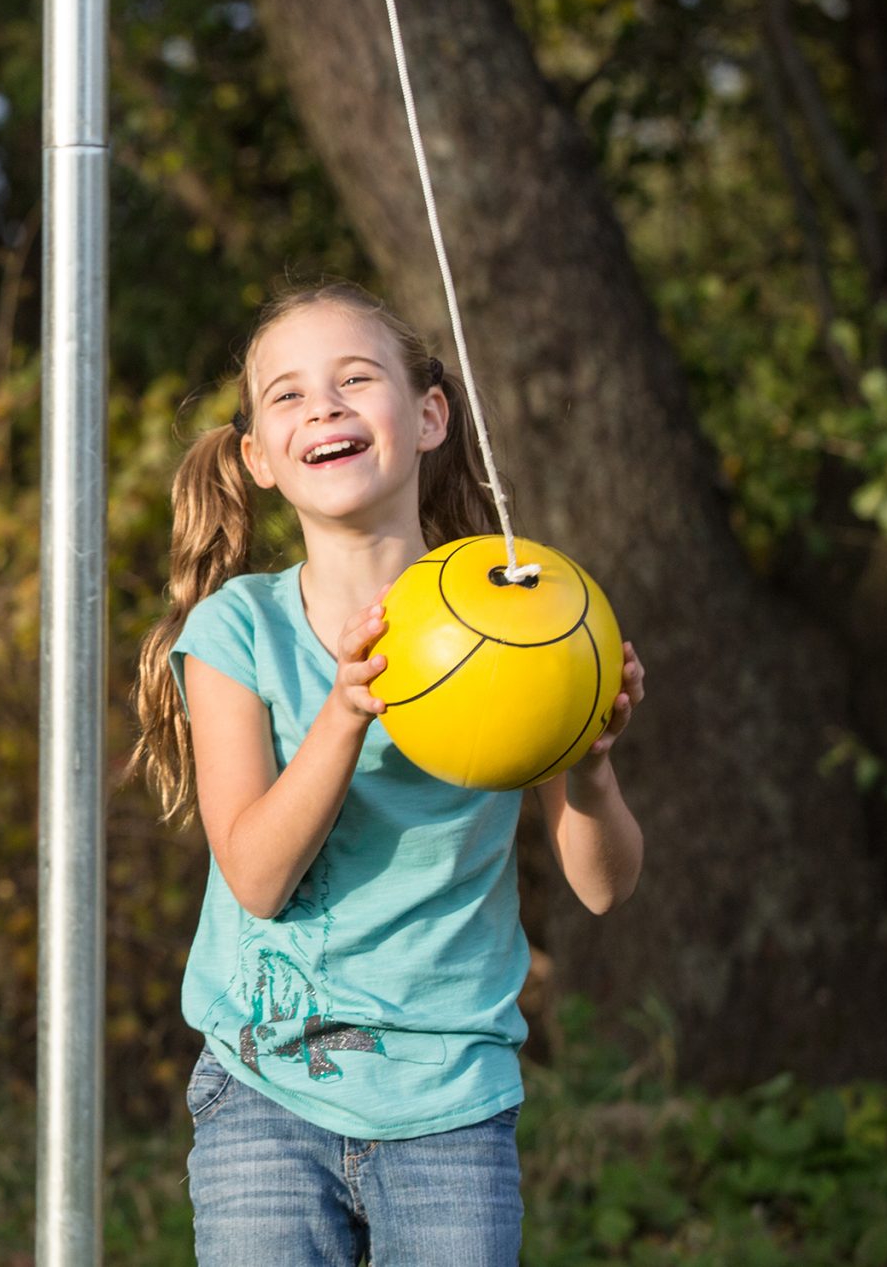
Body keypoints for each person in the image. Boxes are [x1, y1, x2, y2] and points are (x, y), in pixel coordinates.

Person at [128, 280, 644, 1266]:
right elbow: (257, 877)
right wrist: (343, 712)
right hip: (266, 1091)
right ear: (259, 458)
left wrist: (591, 768)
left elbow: (603, 887)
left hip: (451, 1101)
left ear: (429, 416)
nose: (323, 406)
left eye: (355, 379)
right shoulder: (238, 630)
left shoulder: (522, 618)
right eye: (288, 394)